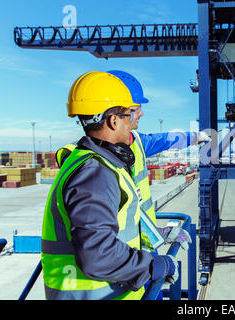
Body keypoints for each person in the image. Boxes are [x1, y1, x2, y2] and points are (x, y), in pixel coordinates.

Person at [41, 71, 179, 300]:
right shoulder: (95, 174)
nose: (138, 117)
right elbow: (98, 255)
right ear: (114, 121)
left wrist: (157, 234)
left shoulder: (95, 163)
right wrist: (155, 265)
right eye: (130, 113)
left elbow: (116, 223)